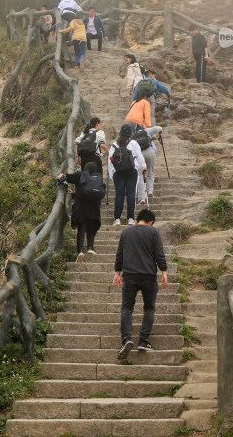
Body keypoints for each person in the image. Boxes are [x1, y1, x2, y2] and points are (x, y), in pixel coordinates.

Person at [113, 207, 168, 358]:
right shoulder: (153, 232)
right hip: (149, 276)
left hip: (130, 275)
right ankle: (143, 341)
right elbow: (159, 254)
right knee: (149, 308)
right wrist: (164, 272)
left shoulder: (126, 232)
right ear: (151, 222)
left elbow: (120, 255)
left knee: (126, 308)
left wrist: (117, 273)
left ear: (136, 220)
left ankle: (126, 340)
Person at [57, 161, 103, 262]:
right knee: (91, 228)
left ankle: (80, 251)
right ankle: (90, 248)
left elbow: (67, 177)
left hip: (82, 208)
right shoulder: (98, 178)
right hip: (94, 208)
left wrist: (60, 176)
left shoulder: (81, 175)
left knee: (81, 228)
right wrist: (74, 193)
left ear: (85, 168)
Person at [108, 124, 146, 226]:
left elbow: (110, 161)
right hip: (131, 171)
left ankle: (117, 219)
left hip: (118, 172)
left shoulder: (114, 144)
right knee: (131, 193)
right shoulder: (133, 143)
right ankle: (130, 218)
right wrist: (143, 167)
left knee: (119, 195)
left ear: (120, 133)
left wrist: (112, 175)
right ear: (130, 133)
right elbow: (139, 157)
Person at [133, 125, 162, 203]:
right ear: (143, 129)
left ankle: (142, 198)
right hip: (151, 152)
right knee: (150, 172)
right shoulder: (148, 131)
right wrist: (160, 131)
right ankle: (150, 191)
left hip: (140, 155)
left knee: (140, 175)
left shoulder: (134, 136)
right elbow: (158, 128)